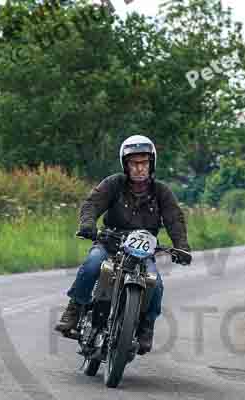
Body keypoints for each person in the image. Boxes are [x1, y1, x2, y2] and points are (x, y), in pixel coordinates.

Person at [54, 135, 192, 354]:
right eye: (134, 163)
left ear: (151, 163)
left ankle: (146, 326)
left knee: (155, 283)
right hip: (111, 241)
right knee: (93, 264)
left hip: (144, 249)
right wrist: (88, 224)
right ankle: (75, 308)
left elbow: (175, 219)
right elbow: (92, 204)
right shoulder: (113, 183)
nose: (139, 168)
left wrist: (182, 247)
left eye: (144, 162)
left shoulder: (161, 191)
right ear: (125, 165)